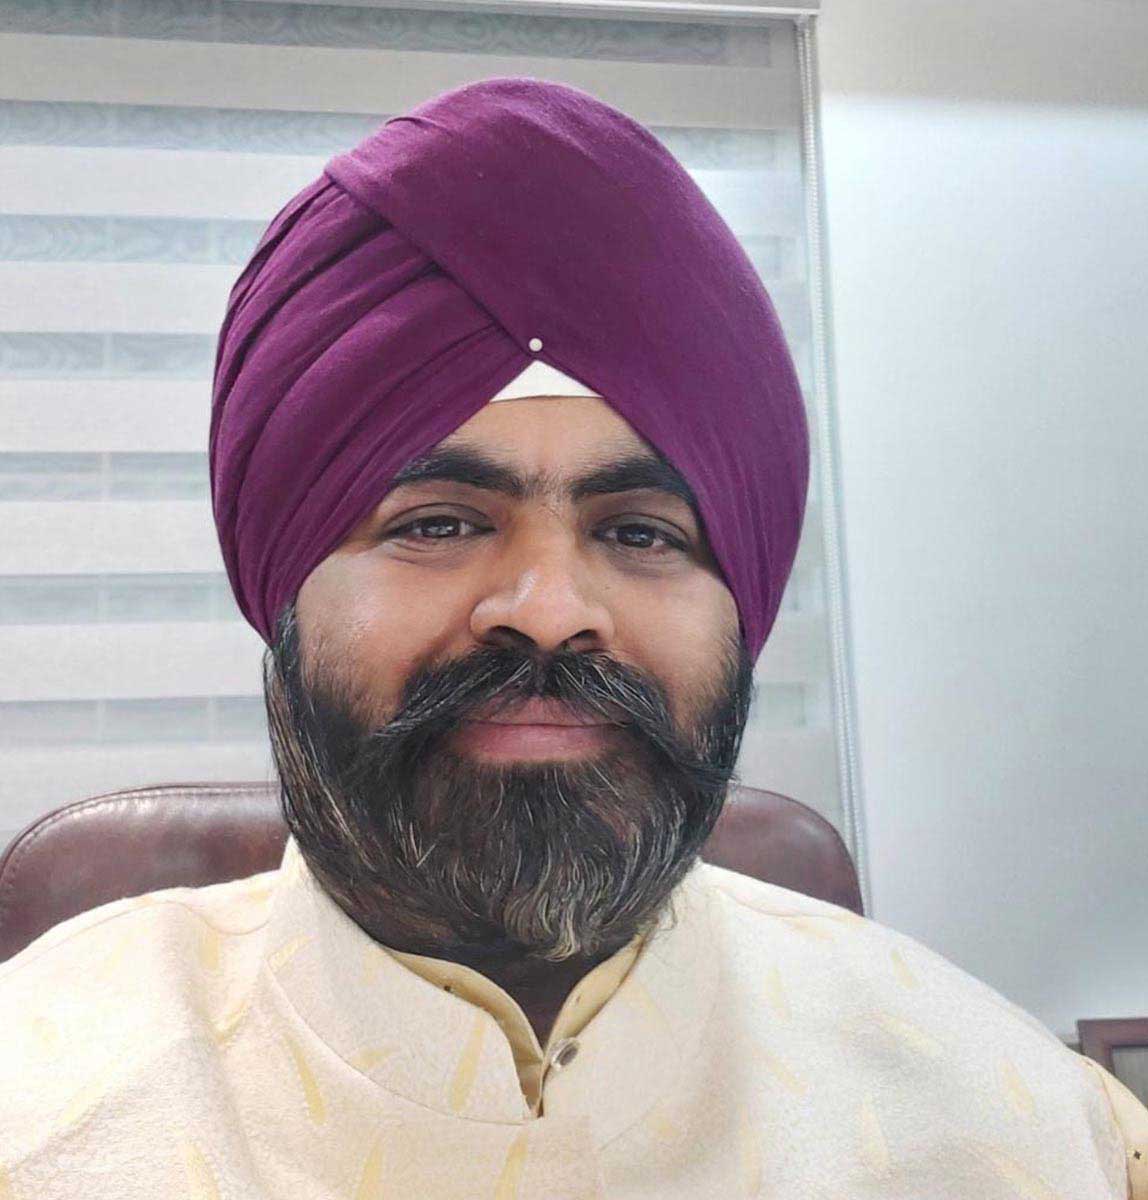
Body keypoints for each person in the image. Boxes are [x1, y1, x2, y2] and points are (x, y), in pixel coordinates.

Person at [1, 76, 1144, 1199]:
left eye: (640, 533)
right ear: (281, 588)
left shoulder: (1023, 1132)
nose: (547, 608)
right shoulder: (40, 1111)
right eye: (436, 524)